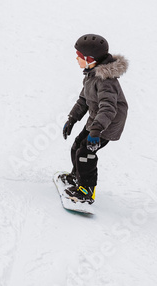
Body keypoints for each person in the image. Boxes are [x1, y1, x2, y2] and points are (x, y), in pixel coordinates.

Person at [61, 34, 129, 205]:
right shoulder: (91, 75)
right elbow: (84, 99)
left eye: (79, 56)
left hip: (106, 125)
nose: (76, 58)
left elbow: (109, 108)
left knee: (86, 154)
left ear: (89, 59)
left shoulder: (106, 82)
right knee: (77, 146)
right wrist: (72, 118)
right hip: (96, 121)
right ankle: (76, 178)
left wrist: (97, 131)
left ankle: (86, 191)